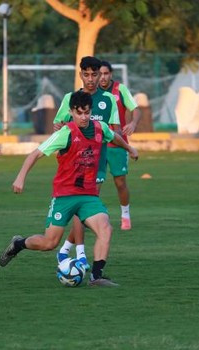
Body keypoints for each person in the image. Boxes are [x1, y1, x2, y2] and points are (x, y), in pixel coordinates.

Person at [0, 90, 138, 287]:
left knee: (105, 228)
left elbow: (114, 137)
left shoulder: (100, 128)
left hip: (88, 196)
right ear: (71, 112)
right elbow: (34, 155)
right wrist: (20, 177)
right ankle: (19, 244)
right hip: (64, 196)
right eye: (79, 113)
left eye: (87, 112)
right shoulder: (65, 134)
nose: (84, 117)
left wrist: (129, 148)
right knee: (49, 243)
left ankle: (96, 276)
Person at [53, 56, 120, 270]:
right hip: (73, 164)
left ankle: (65, 250)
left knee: (86, 210)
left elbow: (114, 130)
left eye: (95, 74)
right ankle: (80, 254)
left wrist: (115, 139)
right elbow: (58, 125)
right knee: (81, 208)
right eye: (87, 75)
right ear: (81, 74)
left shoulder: (109, 100)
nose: (91, 79)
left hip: (97, 163)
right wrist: (62, 127)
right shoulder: (70, 98)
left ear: (101, 75)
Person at [99, 60, 140, 230]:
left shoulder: (120, 89)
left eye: (105, 73)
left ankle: (125, 215)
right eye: (99, 73)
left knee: (120, 182)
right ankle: (89, 216)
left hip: (117, 143)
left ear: (111, 74)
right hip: (96, 145)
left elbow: (136, 109)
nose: (102, 77)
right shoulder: (89, 91)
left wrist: (132, 123)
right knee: (94, 184)